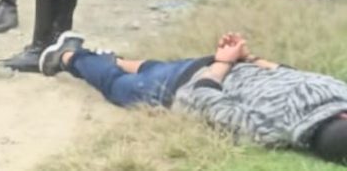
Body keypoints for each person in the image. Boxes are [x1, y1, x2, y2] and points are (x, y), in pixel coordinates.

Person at [38, 32, 347, 165]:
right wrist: (236, 59)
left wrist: (237, 59)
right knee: (121, 85)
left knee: (143, 75)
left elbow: (285, 72)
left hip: (204, 73)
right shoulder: (271, 130)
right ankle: (69, 55)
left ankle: (82, 56)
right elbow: (208, 100)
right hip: (200, 75)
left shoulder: (338, 93)